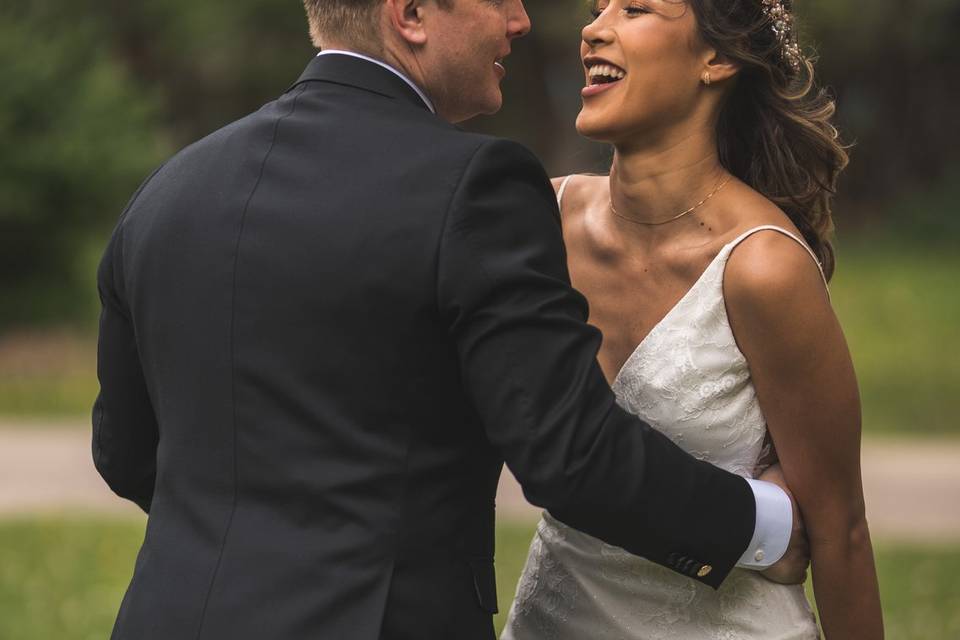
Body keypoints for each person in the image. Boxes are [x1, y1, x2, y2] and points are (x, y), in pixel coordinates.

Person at [92, 1, 806, 638]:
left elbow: (124, 454)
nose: (521, 21)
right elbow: (571, 457)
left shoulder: (168, 191)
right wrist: (769, 524)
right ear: (410, 16)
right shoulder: (476, 189)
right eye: (500, 0)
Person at [502, 1, 883, 638]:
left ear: (718, 58)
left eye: (638, 8)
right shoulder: (540, 220)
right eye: (598, 10)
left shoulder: (762, 267)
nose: (594, 29)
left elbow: (840, 530)